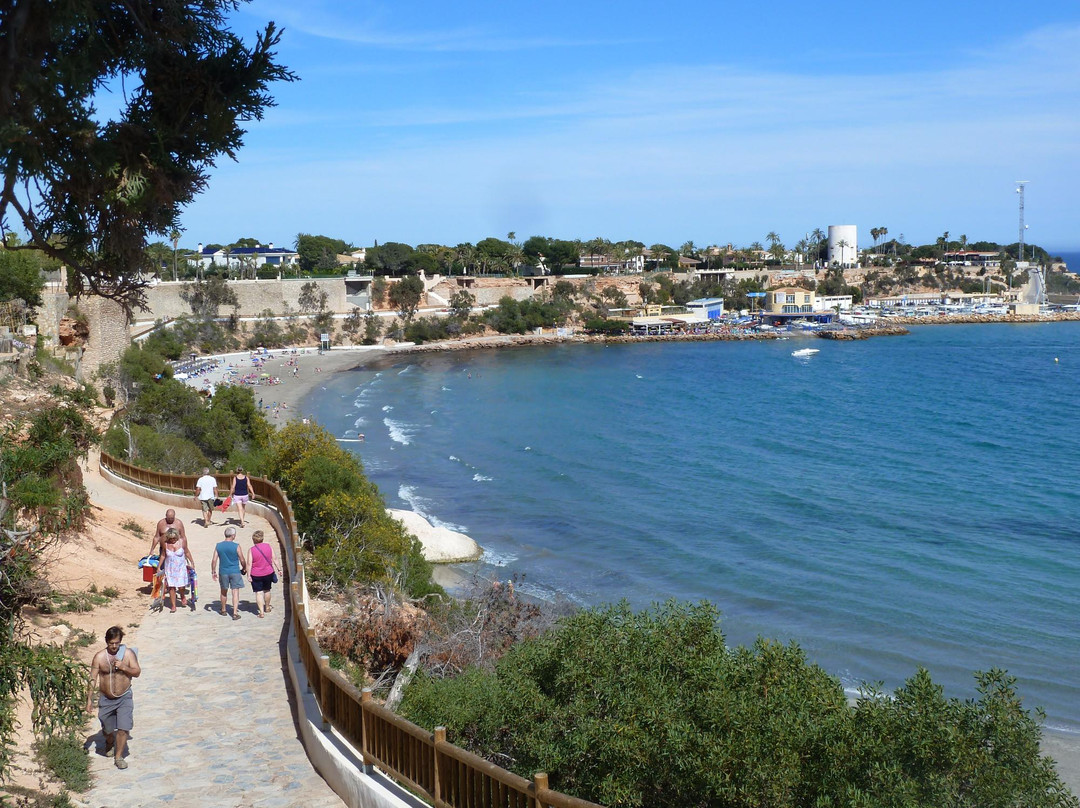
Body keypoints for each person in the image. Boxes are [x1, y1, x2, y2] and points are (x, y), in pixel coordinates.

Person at [86, 626, 141, 769]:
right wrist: (89, 700)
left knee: (123, 729)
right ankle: (109, 741)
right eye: (111, 643)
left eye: (117, 643)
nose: (114, 646)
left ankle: (119, 757)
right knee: (108, 729)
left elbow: (137, 672)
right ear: (106, 642)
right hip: (106, 699)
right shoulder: (99, 657)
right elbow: (92, 678)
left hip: (124, 697)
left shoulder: (127, 654)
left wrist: (124, 667)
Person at [211, 526, 246, 620]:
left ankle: (223, 609)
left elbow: (214, 560)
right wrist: (244, 568)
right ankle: (234, 613)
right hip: (234, 571)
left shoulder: (219, 545)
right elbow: (242, 559)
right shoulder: (236, 546)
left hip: (223, 571)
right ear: (233, 536)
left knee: (223, 591)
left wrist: (213, 571)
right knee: (235, 591)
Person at [246, 530, 282, 618]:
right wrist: (279, 569)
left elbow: (249, 564)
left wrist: (248, 575)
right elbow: (275, 559)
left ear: (253, 540)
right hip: (268, 572)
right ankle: (267, 607)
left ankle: (261, 612)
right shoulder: (268, 546)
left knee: (258, 592)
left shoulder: (251, 550)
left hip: (256, 574)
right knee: (267, 590)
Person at [159, 528, 194, 612]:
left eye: (174, 538)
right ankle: (173, 605)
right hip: (170, 569)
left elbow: (187, 552)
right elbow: (163, 555)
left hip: (181, 568)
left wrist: (192, 562)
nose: (173, 540)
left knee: (181, 586)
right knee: (171, 587)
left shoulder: (182, 542)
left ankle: (182, 595)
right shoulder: (166, 544)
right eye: (170, 539)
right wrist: (159, 566)